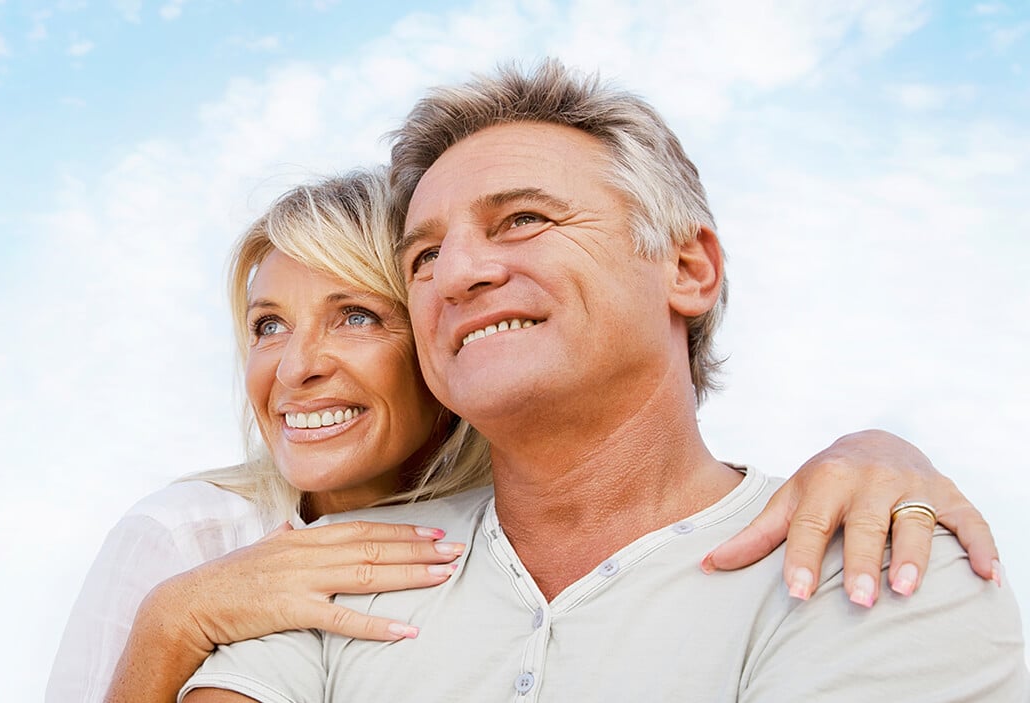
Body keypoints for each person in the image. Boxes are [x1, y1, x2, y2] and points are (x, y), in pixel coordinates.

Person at [180, 61, 1027, 701]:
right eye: (424, 256)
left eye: (523, 220)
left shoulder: (876, 560)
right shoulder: (337, 569)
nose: (460, 272)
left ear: (688, 266)